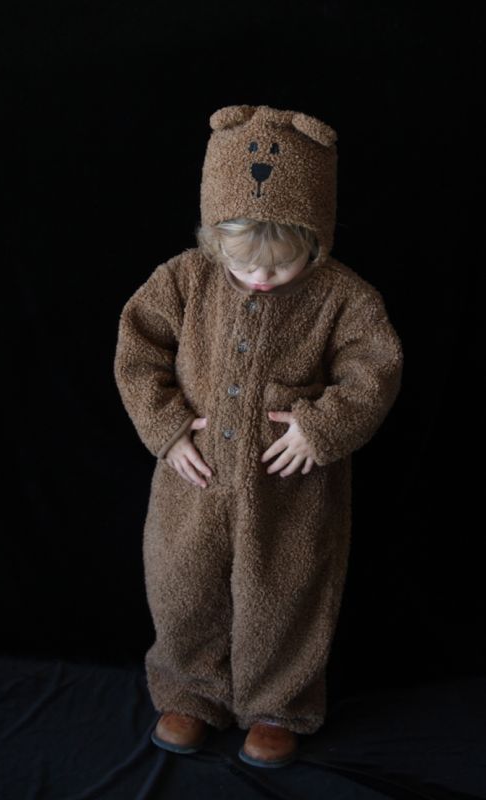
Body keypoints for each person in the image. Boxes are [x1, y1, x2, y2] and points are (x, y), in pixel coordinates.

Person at [113, 104, 404, 768]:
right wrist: (165, 426)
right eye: (243, 262)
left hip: (290, 484)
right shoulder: (184, 278)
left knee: (286, 590)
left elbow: (375, 368)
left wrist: (323, 425)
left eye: (280, 264)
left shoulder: (344, 295)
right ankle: (191, 691)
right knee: (182, 581)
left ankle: (278, 704)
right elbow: (138, 353)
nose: (260, 277)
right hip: (195, 476)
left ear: (317, 237)